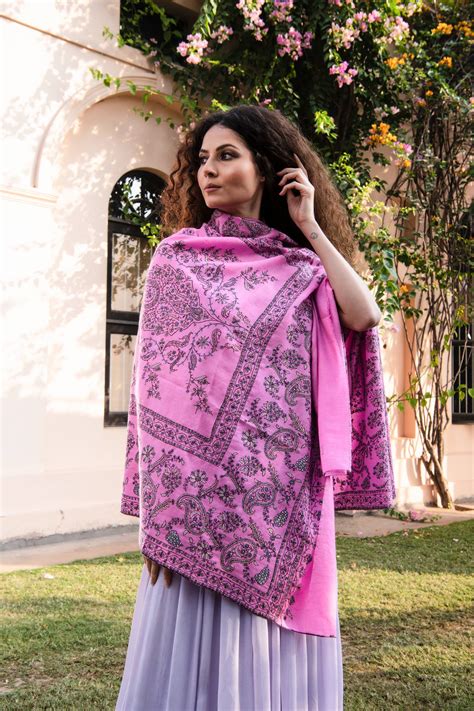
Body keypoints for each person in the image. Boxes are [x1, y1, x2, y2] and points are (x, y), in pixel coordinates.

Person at [115, 104, 390, 711]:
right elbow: (153, 395)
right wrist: (157, 520)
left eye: (226, 155)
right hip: (192, 501)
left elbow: (364, 315)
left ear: (265, 168)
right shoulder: (176, 260)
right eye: (202, 160)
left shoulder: (302, 266)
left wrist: (310, 226)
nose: (208, 171)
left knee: (267, 655)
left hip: (277, 491)